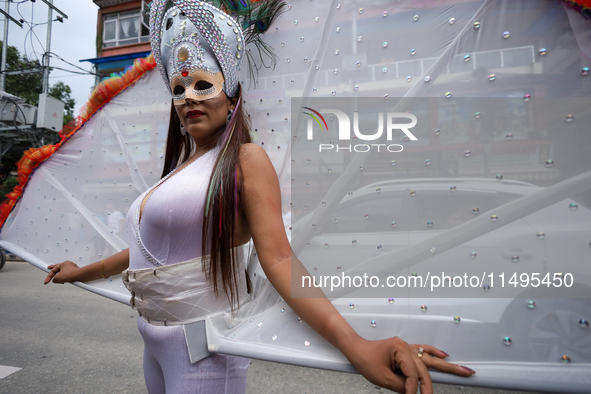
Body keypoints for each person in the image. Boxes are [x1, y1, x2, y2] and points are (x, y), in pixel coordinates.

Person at [43, 1, 475, 393]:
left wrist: (356, 344)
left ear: (231, 99)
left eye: (201, 84)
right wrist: (80, 272)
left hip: (202, 351)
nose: (188, 96)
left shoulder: (246, 159)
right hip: (152, 340)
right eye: (178, 89)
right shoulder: (178, 173)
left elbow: (280, 260)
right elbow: (145, 251)